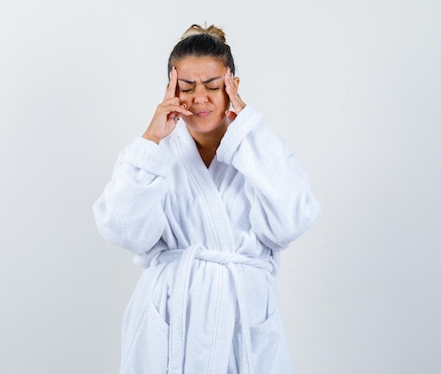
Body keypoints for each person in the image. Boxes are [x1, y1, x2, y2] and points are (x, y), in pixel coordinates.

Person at [93, 24, 321, 374]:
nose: (200, 98)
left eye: (213, 86)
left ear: (234, 86)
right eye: (187, 87)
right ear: (171, 89)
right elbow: (123, 230)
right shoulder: (153, 155)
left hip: (243, 323)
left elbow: (288, 224)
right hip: (171, 318)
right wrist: (151, 140)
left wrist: (250, 133)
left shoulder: (260, 152)